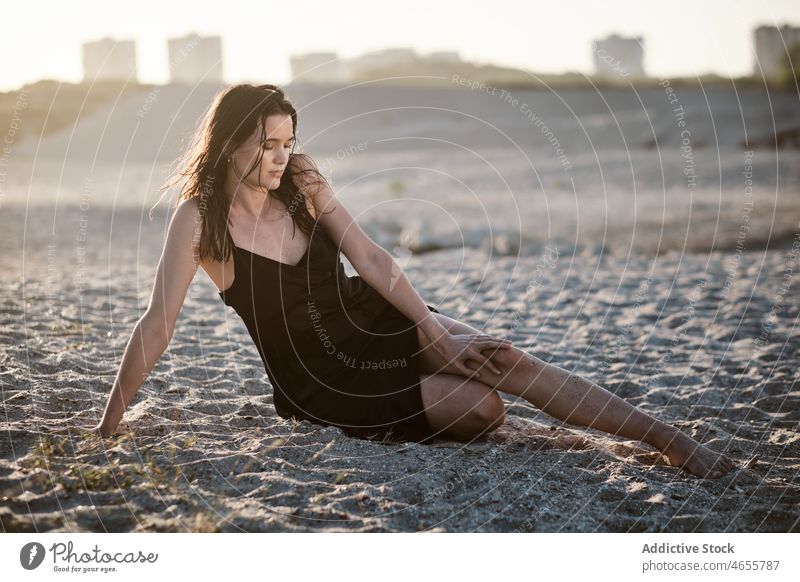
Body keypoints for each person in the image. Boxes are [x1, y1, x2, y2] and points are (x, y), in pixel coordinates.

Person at [92, 84, 735, 479]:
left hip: (369, 316)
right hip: (317, 381)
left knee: (503, 358)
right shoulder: (199, 220)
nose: (282, 155)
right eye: (267, 144)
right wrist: (109, 422)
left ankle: (670, 440)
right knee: (483, 408)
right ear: (232, 142)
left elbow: (374, 262)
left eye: (289, 141)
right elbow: (159, 324)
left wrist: (434, 333)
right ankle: (549, 430)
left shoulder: (304, 186)